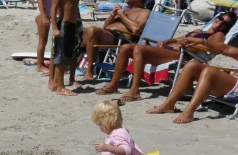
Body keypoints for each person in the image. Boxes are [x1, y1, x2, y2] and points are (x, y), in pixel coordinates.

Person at [96, 12, 237, 100]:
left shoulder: (217, 35)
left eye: (225, 23)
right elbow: (179, 38)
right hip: (168, 49)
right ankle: (114, 85)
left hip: (179, 55)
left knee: (139, 49)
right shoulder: (199, 29)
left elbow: (211, 46)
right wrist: (166, 41)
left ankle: (135, 90)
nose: (220, 23)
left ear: (227, 27)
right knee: (126, 47)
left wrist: (194, 41)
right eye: (219, 18)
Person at [148, 19, 238, 123]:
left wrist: (202, 41)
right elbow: (223, 48)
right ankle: (168, 104)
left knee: (210, 71)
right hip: (233, 81)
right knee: (192, 65)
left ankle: (189, 112)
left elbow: (223, 49)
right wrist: (203, 41)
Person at [79, 0, 151, 81]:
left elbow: (136, 29)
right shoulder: (125, 9)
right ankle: (69, 63)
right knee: (78, 30)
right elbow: (105, 27)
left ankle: (89, 71)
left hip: (120, 38)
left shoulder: (144, 12)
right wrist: (113, 14)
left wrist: (121, 15)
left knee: (92, 30)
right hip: (108, 33)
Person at [48, 0, 85, 91]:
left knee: (68, 54)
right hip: (63, 23)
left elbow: (75, 4)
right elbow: (54, 8)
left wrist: (75, 25)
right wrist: (55, 27)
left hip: (72, 23)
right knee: (59, 56)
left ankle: (62, 83)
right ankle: (59, 86)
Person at [34, 0, 57, 73]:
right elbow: (40, 1)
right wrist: (44, 16)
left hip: (46, 15)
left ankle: (41, 63)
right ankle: (40, 65)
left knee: (44, 41)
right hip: (42, 15)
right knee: (42, 41)